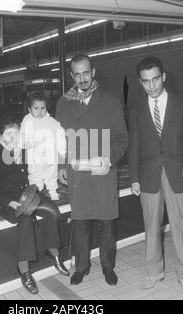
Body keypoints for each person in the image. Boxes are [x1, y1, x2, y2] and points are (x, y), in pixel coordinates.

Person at [128, 56, 183, 297]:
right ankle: (154, 273)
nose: (151, 86)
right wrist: (134, 178)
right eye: (145, 82)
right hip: (148, 174)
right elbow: (135, 146)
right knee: (151, 227)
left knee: (182, 227)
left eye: (155, 80)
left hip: (179, 174)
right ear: (140, 82)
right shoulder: (136, 110)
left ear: (163, 77)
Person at [56, 54, 129, 286]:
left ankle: (108, 267)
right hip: (77, 174)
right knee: (80, 223)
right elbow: (59, 140)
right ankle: (82, 267)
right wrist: (60, 166)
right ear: (71, 76)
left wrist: (109, 159)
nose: (82, 78)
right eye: (77, 74)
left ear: (93, 72)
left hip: (103, 171)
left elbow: (121, 138)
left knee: (107, 222)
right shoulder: (63, 102)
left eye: (86, 72)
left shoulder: (110, 100)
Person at [0, 115, 70, 295]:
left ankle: (53, 254)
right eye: (9, 134)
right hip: (4, 199)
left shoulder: (22, 150)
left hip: (26, 193)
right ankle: (24, 269)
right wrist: (11, 202)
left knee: (52, 211)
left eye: (16, 133)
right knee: (25, 218)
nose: (14, 137)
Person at [20, 91, 66, 200]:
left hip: (50, 154)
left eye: (43, 108)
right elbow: (22, 136)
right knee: (35, 174)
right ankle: (36, 192)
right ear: (30, 109)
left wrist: (61, 152)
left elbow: (60, 136)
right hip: (34, 156)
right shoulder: (27, 121)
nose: (40, 112)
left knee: (51, 174)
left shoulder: (51, 122)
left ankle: (53, 191)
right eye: (36, 108)